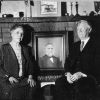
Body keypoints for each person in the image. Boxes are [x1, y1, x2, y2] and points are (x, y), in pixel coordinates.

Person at [55, 20, 100, 100]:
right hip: (72, 76)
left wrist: (81, 74)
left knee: (80, 85)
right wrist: (68, 73)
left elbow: (97, 66)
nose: (79, 31)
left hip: (89, 76)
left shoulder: (96, 45)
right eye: (78, 29)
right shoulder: (75, 45)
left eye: (82, 29)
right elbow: (68, 62)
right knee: (59, 82)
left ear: (89, 30)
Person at [0, 24, 39, 100]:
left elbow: (30, 65)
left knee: (33, 86)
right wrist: (8, 76)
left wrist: (30, 76)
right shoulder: (3, 48)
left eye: (22, 34)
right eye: (17, 33)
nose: (20, 35)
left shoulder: (26, 49)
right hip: (7, 80)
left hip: (22, 79)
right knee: (15, 91)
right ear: (11, 33)